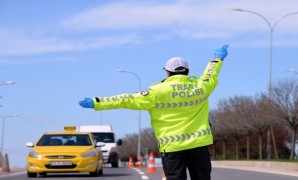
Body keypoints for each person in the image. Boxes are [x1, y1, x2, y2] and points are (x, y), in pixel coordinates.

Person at [79, 44, 229, 180]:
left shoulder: (156, 92)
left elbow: (126, 99)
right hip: (199, 145)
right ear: (187, 71)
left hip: (172, 148)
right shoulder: (201, 88)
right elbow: (210, 74)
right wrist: (217, 58)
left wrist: (97, 102)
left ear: (167, 72)